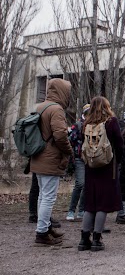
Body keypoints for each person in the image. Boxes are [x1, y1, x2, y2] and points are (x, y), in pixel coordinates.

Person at [30, 78, 73, 246]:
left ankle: (45, 227)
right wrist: (69, 151)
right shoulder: (56, 109)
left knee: (43, 195)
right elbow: (60, 135)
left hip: (38, 156)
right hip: (50, 159)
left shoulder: (40, 107)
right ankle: (41, 233)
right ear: (62, 91)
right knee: (48, 197)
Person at [77, 96, 124, 252]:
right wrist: (119, 160)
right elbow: (119, 143)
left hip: (90, 167)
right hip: (107, 166)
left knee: (90, 204)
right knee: (102, 204)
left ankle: (84, 239)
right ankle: (97, 238)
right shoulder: (111, 122)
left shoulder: (86, 124)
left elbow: (79, 143)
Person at [66, 104, 90, 221]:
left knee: (87, 185)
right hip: (79, 158)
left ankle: (81, 210)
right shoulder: (78, 125)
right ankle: (71, 210)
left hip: (91, 159)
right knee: (80, 183)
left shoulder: (96, 125)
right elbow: (70, 141)